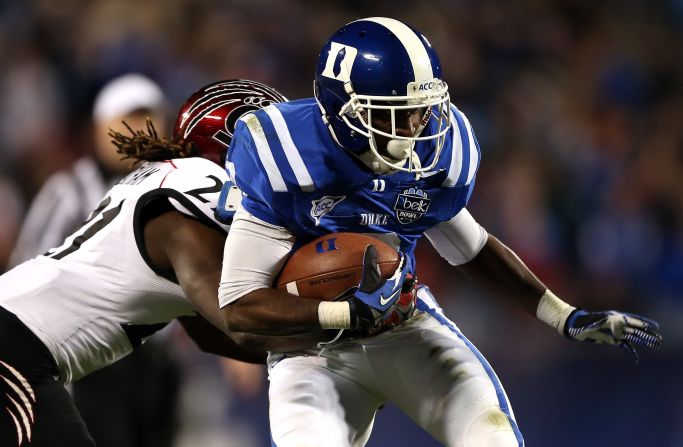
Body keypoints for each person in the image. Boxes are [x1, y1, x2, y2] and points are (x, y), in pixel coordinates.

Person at [217, 17, 663, 447]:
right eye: (396, 114)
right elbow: (239, 305)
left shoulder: (435, 154)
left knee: (494, 437)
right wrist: (346, 314)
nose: (416, 129)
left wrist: (564, 316)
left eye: (420, 111)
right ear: (342, 110)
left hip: (403, 325)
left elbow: (471, 248)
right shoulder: (286, 156)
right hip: (308, 352)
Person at [0, 79, 309, 447]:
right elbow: (239, 320)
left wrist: (314, 352)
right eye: (275, 149)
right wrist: (344, 328)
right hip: (15, 348)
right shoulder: (180, 215)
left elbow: (210, 335)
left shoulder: (175, 191)